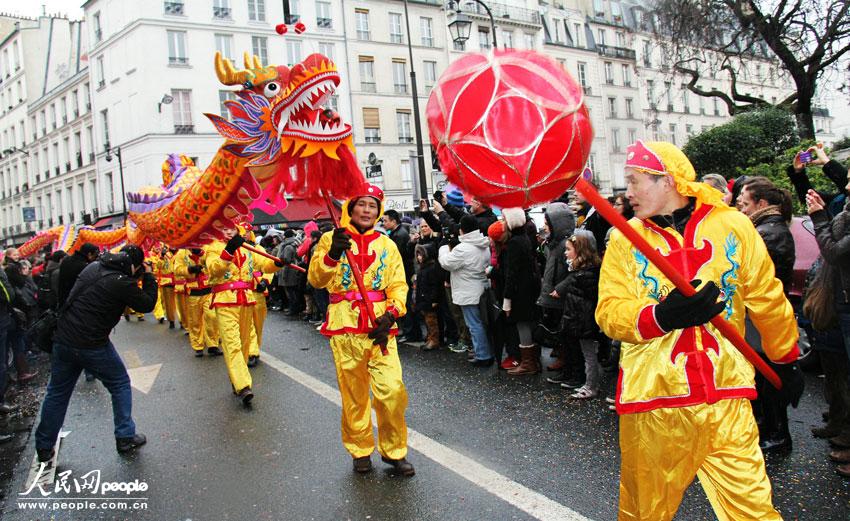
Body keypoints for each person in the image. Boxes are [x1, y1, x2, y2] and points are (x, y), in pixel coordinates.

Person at [597, 140, 803, 520]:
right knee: (645, 513)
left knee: (754, 511)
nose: (627, 193)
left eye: (634, 181)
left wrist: (785, 358)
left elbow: (767, 296)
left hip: (727, 399)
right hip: (654, 402)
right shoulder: (625, 239)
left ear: (668, 181)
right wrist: (661, 316)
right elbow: (609, 313)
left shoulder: (734, 226)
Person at [308, 183, 415, 476]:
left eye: (372, 206)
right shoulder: (331, 237)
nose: (367, 211)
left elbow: (398, 285)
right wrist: (331, 254)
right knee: (354, 395)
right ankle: (360, 450)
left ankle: (394, 452)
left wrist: (391, 315)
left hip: (380, 328)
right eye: (362, 205)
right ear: (350, 207)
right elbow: (316, 279)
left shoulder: (388, 244)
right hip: (344, 327)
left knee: (391, 390)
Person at [34, 245, 158, 463]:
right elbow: (147, 304)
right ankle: (125, 436)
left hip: (63, 338)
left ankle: (44, 446)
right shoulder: (121, 282)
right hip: (92, 343)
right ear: (134, 265)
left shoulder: (92, 267)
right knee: (119, 383)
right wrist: (149, 276)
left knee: (57, 392)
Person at [206, 227, 281, 406]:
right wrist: (229, 250)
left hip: (246, 300)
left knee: (245, 343)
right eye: (226, 228)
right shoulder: (213, 247)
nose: (229, 232)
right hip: (225, 301)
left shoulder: (248, 248)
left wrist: (279, 263)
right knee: (232, 344)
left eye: (232, 228)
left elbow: (264, 264)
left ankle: (236, 378)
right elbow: (214, 270)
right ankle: (243, 386)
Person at [439, 214, 493, 366]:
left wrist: (443, 248)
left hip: (468, 291)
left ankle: (482, 355)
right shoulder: (483, 244)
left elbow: (446, 263)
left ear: (462, 230)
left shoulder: (463, 249)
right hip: (482, 288)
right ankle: (485, 352)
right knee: (482, 323)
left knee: (474, 324)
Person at [554, 230, 601, 399]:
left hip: (584, 321)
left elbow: (589, 301)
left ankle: (591, 386)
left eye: (568, 249)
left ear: (580, 250)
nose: (565, 252)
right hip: (580, 319)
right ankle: (588, 384)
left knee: (589, 354)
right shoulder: (581, 271)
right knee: (586, 353)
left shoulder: (585, 274)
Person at [500, 208, 542, 375]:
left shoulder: (514, 243)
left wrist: (507, 299)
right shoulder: (524, 238)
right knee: (528, 324)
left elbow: (512, 274)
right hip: (529, 289)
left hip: (520, 292)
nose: (502, 223)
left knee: (523, 325)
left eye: (504, 219)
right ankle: (532, 361)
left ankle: (528, 363)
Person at [536, 202, 576, 376]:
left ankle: (566, 364)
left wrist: (559, 288)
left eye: (547, 223)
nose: (544, 226)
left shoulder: (564, 245)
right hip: (553, 294)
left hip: (561, 296)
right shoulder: (553, 243)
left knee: (564, 333)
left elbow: (574, 271)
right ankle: (563, 360)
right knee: (557, 330)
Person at [414, 244, 442, 350]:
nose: (419, 257)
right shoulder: (423, 268)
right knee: (427, 320)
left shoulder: (431, 268)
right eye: (417, 255)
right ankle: (430, 339)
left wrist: (434, 299)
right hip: (423, 299)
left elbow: (435, 285)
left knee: (432, 321)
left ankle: (434, 340)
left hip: (429, 299)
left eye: (420, 255)